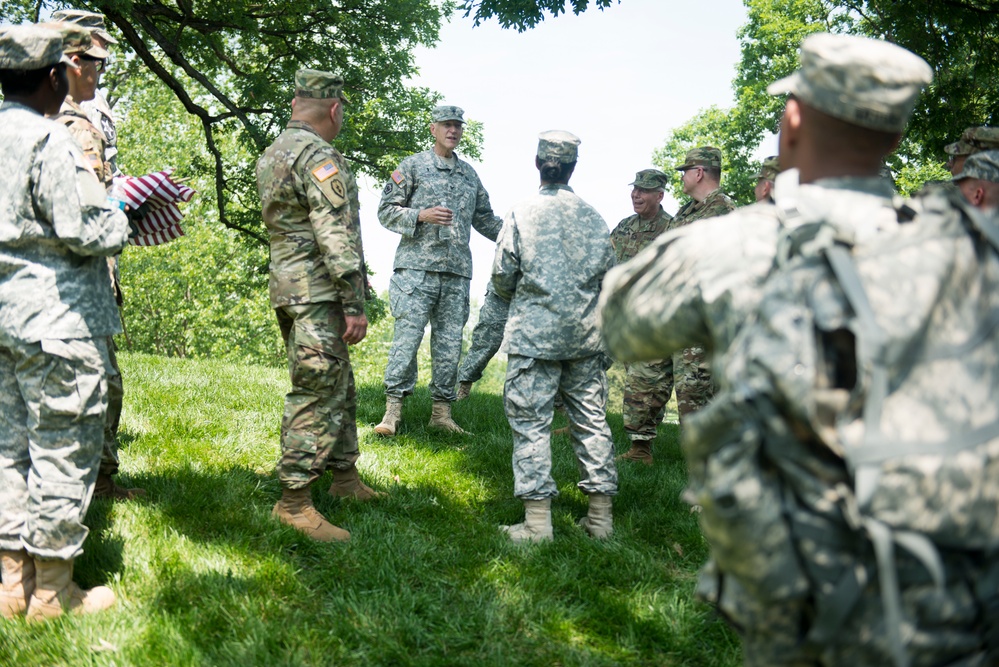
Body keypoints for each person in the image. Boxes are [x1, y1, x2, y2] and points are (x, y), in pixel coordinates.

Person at [599, 32, 978, 665]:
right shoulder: (974, 251)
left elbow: (622, 326)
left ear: (794, 120)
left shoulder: (737, 243)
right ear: (894, 135)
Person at [0, 24, 130, 620]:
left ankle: (9, 585)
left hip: (4, 319)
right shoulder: (50, 141)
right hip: (57, 319)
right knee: (61, 449)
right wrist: (122, 212)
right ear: (54, 76)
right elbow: (86, 228)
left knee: (8, 450)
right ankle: (53, 593)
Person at [256, 69, 380, 544]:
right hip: (318, 291)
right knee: (314, 390)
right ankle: (294, 504)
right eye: (342, 110)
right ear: (334, 109)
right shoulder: (319, 156)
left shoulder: (275, 152)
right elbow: (335, 234)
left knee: (337, 381)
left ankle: (345, 479)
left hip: (290, 289)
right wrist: (354, 302)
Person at [493, 130, 617, 542]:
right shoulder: (594, 217)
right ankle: (600, 520)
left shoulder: (521, 213)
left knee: (531, 423)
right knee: (591, 421)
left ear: (538, 164)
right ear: (572, 168)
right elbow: (609, 279)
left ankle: (537, 523)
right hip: (585, 337)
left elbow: (502, 276)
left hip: (535, 336)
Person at [46, 17, 143, 501]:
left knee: (106, 380)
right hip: (72, 279)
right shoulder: (66, 121)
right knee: (92, 384)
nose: (104, 70)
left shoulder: (78, 114)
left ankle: (98, 482)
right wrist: (121, 211)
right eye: (99, 59)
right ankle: (77, 491)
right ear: (75, 59)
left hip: (88, 272)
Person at [375, 105, 503, 436]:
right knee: (407, 340)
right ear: (433, 129)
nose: (454, 131)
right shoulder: (412, 166)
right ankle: (392, 412)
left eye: (458, 126)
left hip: (456, 273)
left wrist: (518, 233)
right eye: (447, 125)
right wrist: (420, 215)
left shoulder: (469, 174)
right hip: (415, 272)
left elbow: (485, 218)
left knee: (449, 345)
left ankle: (441, 415)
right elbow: (386, 211)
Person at [609, 169, 675, 466]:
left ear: (659, 196)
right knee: (585, 366)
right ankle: (579, 422)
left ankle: (641, 447)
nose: (636, 195)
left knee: (646, 382)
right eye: (635, 189)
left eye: (644, 191)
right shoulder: (624, 227)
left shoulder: (672, 229)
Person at [669, 146, 736, 423]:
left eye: (685, 171)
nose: (682, 177)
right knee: (689, 394)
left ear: (698, 173)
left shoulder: (723, 210)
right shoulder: (688, 211)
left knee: (698, 394)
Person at [455, 286, 509, 401]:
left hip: (539, 293)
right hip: (502, 289)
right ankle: (464, 388)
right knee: (486, 342)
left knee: (538, 348)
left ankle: (556, 401)